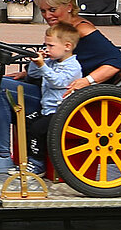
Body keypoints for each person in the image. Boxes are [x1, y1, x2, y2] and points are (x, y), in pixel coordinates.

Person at [0, 0, 121, 173]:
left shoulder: (82, 31)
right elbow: (56, 63)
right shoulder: (62, 31)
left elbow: (116, 60)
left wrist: (86, 81)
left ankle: (2, 155)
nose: (47, 15)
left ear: (68, 6)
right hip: (52, 91)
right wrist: (26, 73)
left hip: (62, 100)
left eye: (52, 10)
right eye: (43, 11)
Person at [11, 22, 83, 175]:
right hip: (47, 109)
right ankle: (28, 160)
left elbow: (58, 82)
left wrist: (43, 66)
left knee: (38, 129)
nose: (47, 49)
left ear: (67, 46)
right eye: (46, 45)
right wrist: (36, 63)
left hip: (61, 112)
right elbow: (33, 74)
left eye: (51, 46)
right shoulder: (51, 62)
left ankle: (38, 164)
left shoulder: (73, 66)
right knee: (27, 120)